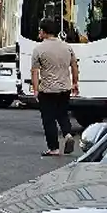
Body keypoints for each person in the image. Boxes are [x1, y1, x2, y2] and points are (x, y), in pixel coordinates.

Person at [29, 17, 76, 157]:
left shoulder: (38, 49)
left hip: (48, 89)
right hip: (65, 88)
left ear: (43, 31)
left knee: (48, 118)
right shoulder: (67, 47)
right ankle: (67, 134)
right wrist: (75, 83)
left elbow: (35, 71)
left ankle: (53, 148)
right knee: (62, 113)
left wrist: (36, 89)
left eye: (40, 31)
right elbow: (74, 65)